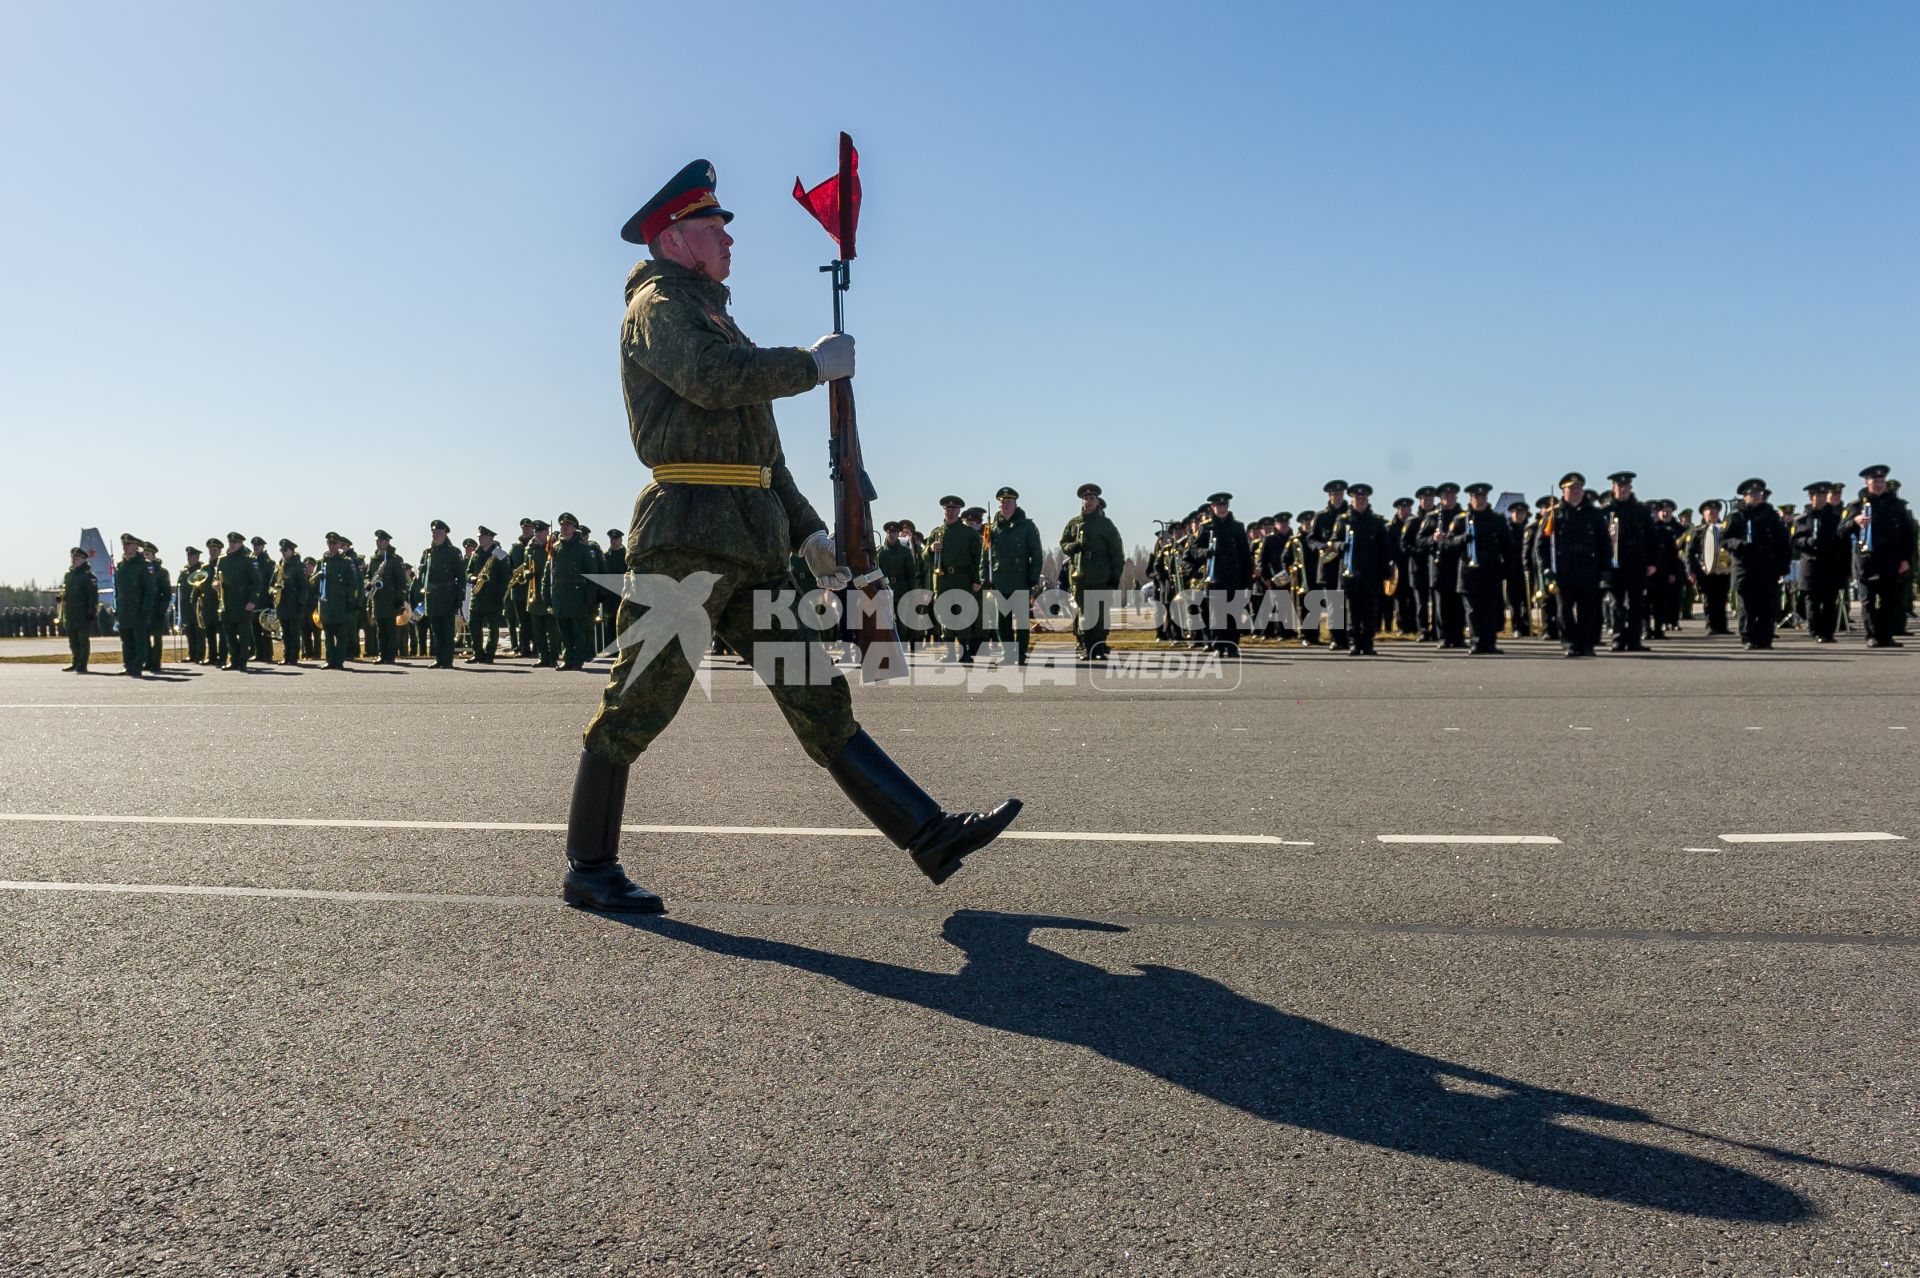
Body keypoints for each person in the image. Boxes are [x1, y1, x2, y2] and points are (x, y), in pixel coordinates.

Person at [561, 158, 1021, 915]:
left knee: (817, 695)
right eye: (715, 227)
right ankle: (589, 865)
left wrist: (810, 533)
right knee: (639, 699)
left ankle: (928, 834)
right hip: (685, 538)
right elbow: (710, 377)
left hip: (753, 545)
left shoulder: (715, 314)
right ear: (676, 239)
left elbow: (765, 459)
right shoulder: (656, 306)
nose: (729, 240)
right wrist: (807, 367)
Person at [1839, 464, 1916, 647]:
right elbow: (1840, 530)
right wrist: (1854, 522)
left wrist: (1906, 559)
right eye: (1875, 481)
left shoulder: (1896, 505)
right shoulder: (1856, 506)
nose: (1880, 484)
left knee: (1890, 601)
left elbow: (1909, 534)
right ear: (1867, 482)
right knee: (1869, 602)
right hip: (1867, 562)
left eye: (1882, 481)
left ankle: (1886, 636)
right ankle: (1872, 636)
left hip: (1891, 561)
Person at [1538, 473, 1606, 657]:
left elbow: (1604, 543)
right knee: (1564, 611)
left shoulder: (1594, 514)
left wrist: (1605, 569)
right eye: (1571, 489)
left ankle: (1586, 645)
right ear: (1563, 491)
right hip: (1564, 570)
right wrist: (1545, 568)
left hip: (1588, 569)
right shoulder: (1555, 514)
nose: (1575, 492)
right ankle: (1570, 643)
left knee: (1588, 610)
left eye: (1578, 489)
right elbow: (1542, 544)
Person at [1722, 478, 1790, 650]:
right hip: (1745, 566)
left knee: (1768, 605)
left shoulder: (1771, 516)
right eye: (1753, 494)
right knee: (1748, 605)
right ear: (1745, 497)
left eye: (1759, 494)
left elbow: (1782, 542)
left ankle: (1765, 639)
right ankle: (1749, 638)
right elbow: (1724, 540)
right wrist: (1738, 544)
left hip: (1767, 567)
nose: (1757, 497)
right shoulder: (1735, 517)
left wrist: (1783, 566)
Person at [1062, 482, 1125, 660]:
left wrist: (1115, 576)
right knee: (1084, 613)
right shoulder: (1073, 523)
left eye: (1091, 499)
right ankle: (1086, 647)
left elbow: (1117, 552)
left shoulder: (1106, 525)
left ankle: (1098, 647)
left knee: (1099, 615)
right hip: (1079, 577)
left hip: (1101, 577)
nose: (1087, 502)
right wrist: (1072, 547)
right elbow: (1063, 544)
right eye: (1085, 499)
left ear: (1097, 501)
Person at [1333, 484, 1396, 655]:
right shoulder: (1343, 521)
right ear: (1352, 500)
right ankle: (1354, 642)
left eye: (1363, 498)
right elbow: (1332, 543)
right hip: (1350, 573)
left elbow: (1385, 548)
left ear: (1367, 500)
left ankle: (1368, 643)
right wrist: (1340, 545)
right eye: (1356, 498)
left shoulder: (1376, 522)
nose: (1360, 501)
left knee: (1369, 611)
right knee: (1353, 611)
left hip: (1371, 574)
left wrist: (1386, 571)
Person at [1449, 483, 1509, 654]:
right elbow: (1448, 543)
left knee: (1490, 609)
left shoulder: (1497, 519)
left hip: (1490, 571)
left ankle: (1490, 643)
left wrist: (1507, 568)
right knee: (1473, 611)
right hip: (1468, 573)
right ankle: (1476, 642)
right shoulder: (1461, 520)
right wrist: (1462, 539)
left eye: (1483, 497)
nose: (1480, 500)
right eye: (1477, 497)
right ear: (1471, 499)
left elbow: (1507, 545)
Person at [1599, 471, 1653, 652]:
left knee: (1637, 604)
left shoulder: (1641, 511)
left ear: (1630, 487)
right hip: (1614, 565)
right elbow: (1599, 540)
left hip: (1637, 563)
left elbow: (1652, 538)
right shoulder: (1605, 511)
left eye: (1626, 486)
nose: (1623, 489)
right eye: (1619, 486)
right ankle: (1618, 639)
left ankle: (1635, 640)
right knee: (1616, 604)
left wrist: (1652, 563)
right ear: (1613, 488)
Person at [1792, 483, 1848, 643]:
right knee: (1813, 602)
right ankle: (1816, 631)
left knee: (1830, 602)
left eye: (1824, 496)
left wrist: (1845, 568)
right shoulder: (1803, 519)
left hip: (1831, 566)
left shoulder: (1836, 518)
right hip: (1811, 566)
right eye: (1818, 496)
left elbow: (1843, 543)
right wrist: (1808, 541)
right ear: (1811, 497)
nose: (1822, 499)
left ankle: (1829, 632)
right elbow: (1795, 542)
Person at [548, 513, 596, 669]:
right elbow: (549, 573)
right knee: (564, 631)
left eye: (567, 525)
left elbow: (592, 575)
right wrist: (547, 595)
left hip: (577, 594)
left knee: (577, 631)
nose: (564, 527)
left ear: (574, 528)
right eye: (562, 525)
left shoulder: (583, 549)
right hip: (560, 594)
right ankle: (567, 659)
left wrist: (590, 598)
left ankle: (578, 660)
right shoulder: (555, 548)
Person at [1306, 481, 1350, 650]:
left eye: (1340, 494)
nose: (1337, 497)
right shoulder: (1322, 517)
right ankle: (1337, 638)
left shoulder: (1350, 514)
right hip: (1329, 566)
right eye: (1334, 494)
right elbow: (1311, 539)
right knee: (1334, 603)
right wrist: (1322, 547)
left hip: (1348, 564)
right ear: (1329, 496)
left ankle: (1350, 636)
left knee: (1350, 603)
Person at [1426, 483, 1467, 648]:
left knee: (1458, 604)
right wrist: (1432, 539)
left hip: (1458, 565)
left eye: (1452, 496)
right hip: (1440, 566)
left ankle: (1458, 636)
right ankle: (1443, 636)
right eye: (1446, 496)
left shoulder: (1463, 516)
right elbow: (1418, 541)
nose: (1449, 499)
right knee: (1442, 604)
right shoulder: (1432, 517)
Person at [421, 519, 464, 668]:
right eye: (433, 532)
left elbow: (461, 576)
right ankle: (439, 658)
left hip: (448, 594)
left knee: (447, 629)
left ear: (445, 533)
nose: (435, 535)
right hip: (432, 595)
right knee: (436, 630)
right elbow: (424, 574)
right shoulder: (428, 552)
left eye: (438, 532)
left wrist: (460, 597)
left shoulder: (454, 552)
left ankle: (447, 660)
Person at [215, 531, 260, 670]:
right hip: (227, 603)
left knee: (244, 635)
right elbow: (217, 578)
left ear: (241, 544)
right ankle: (233, 660)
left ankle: (242, 661)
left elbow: (257, 582)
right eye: (230, 542)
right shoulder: (222, 560)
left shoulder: (248, 560)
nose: (232, 545)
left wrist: (252, 600)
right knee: (229, 635)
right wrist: (216, 585)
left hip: (243, 603)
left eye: (235, 542)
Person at [1688, 500, 1733, 635]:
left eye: (1715, 512)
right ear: (1704, 514)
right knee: (1710, 599)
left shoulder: (1724, 529)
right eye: (1710, 512)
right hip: (1705, 571)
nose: (1713, 515)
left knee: (1722, 598)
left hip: (1723, 570)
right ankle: (1711, 625)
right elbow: (1689, 553)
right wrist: (1691, 571)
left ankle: (1722, 627)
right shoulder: (1698, 531)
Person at [467, 525, 510, 663]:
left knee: (493, 627)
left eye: (482, 536)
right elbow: (468, 572)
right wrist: (472, 578)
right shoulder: (476, 553)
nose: (479, 538)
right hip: (477, 595)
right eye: (479, 536)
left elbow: (505, 577)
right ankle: (477, 653)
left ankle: (490, 654)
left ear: (490, 538)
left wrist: (500, 596)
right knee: (474, 626)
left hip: (493, 596)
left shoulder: (500, 554)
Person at [315, 532, 357, 669]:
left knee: (341, 635)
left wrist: (351, 601)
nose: (331, 546)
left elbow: (352, 584)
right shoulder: (322, 562)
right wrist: (317, 578)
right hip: (326, 604)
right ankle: (329, 660)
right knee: (328, 635)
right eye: (329, 543)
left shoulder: (346, 562)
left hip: (340, 603)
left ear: (339, 545)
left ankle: (339, 660)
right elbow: (313, 584)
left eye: (334, 543)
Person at [112, 534, 152, 677]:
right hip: (124, 609)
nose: (125, 547)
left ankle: (137, 666)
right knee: (126, 640)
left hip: (138, 609)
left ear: (136, 546)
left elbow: (149, 589)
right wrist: (116, 607)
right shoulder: (121, 566)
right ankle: (128, 665)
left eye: (129, 544)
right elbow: (117, 590)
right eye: (124, 544)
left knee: (139, 640)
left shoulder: (144, 565)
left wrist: (145, 608)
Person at [366, 531, 407, 663]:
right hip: (377, 599)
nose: (379, 542)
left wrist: (399, 599)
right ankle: (381, 654)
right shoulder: (373, 559)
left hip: (390, 599)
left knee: (390, 629)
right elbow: (368, 575)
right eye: (377, 540)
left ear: (387, 542)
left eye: (382, 540)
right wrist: (367, 583)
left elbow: (401, 581)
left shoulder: (395, 559)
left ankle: (390, 656)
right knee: (380, 629)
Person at [59, 547, 97, 673]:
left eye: (76, 558)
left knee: (82, 641)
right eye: (73, 558)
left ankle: (82, 664)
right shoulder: (69, 575)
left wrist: (91, 611)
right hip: (70, 613)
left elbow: (93, 596)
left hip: (82, 613)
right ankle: (75, 662)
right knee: (73, 641)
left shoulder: (88, 576)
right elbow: (66, 591)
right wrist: (61, 597)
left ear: (83, 560)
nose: (74, 560)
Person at [141, 542, 170, 672]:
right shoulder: (142, 570)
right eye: (144, 554)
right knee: (145, 637)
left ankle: (156, 662)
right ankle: (147, 660)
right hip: (145, 610)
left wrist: (162, 609)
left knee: (157, 638)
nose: (145, 556)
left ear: (153, 555)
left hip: (157, 609)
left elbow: (167, 593)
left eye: (147, 554)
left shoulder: (162, 572)